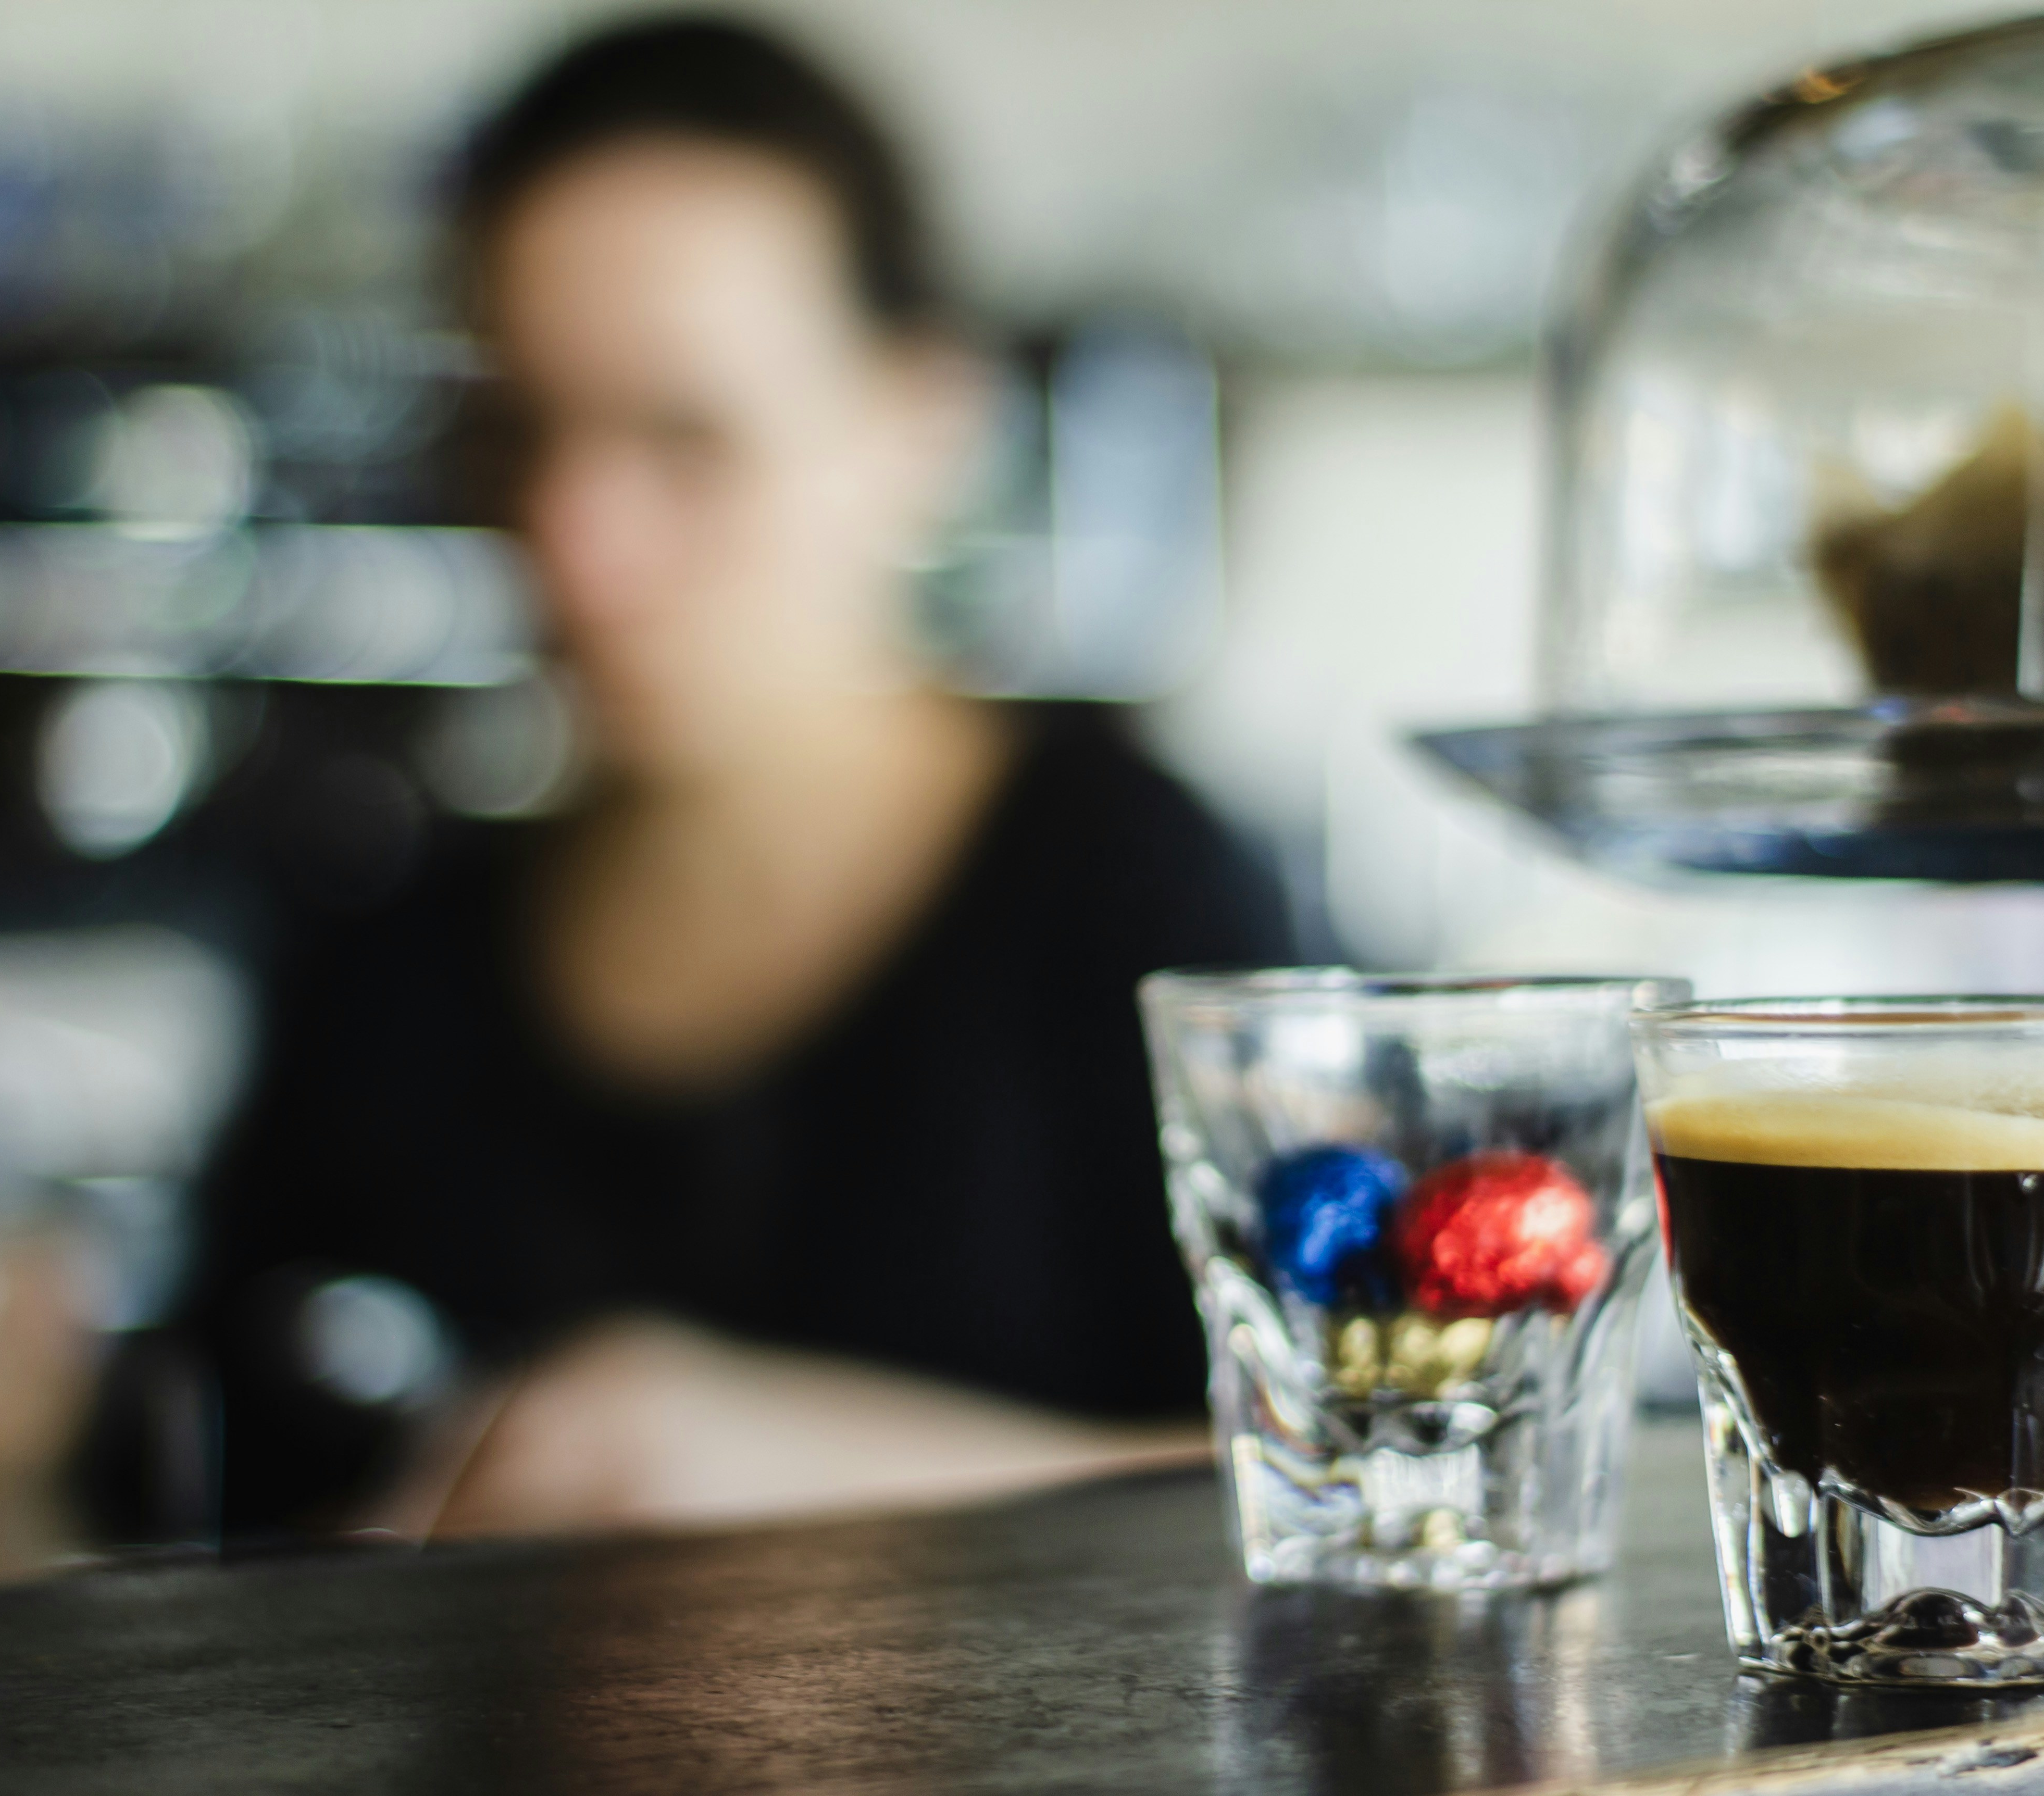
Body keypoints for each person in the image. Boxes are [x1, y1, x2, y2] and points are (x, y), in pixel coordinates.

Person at [187, 14, 1291, 1539]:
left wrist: (819, 1474)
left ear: (927, 423)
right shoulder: (387, 952)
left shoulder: (1136, 905)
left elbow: (1372, 1483)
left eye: (684, 438)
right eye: (515, 433)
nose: (577, 543)